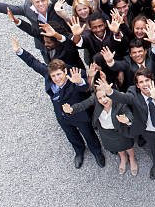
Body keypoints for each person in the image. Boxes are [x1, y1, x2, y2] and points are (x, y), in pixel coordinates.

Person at [10, 37, 105, 169]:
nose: (56, 79)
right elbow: (33, 62)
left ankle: (97, 152)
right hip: (62, 115)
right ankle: (79, 151)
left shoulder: (75, 76)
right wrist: (19, 50)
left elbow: (86, 89)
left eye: (59, 75)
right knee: (71, 135)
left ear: (65, 72)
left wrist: (79, 82)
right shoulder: (49, 75)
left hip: (79, 114)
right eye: (54, 76)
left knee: (89, 134)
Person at [63, 83, 137, 175]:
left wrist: (127, 120)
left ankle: (132, 158)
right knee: (118, 148)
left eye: (105, 96)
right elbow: (83, 105)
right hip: (106, 132)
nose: (103, 100)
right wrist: (71, 110)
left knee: (128, 146)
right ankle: (123, 158)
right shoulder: (96, 100)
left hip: (120, 131)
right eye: (100, 98)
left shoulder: (120, 103)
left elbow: (130, 115)